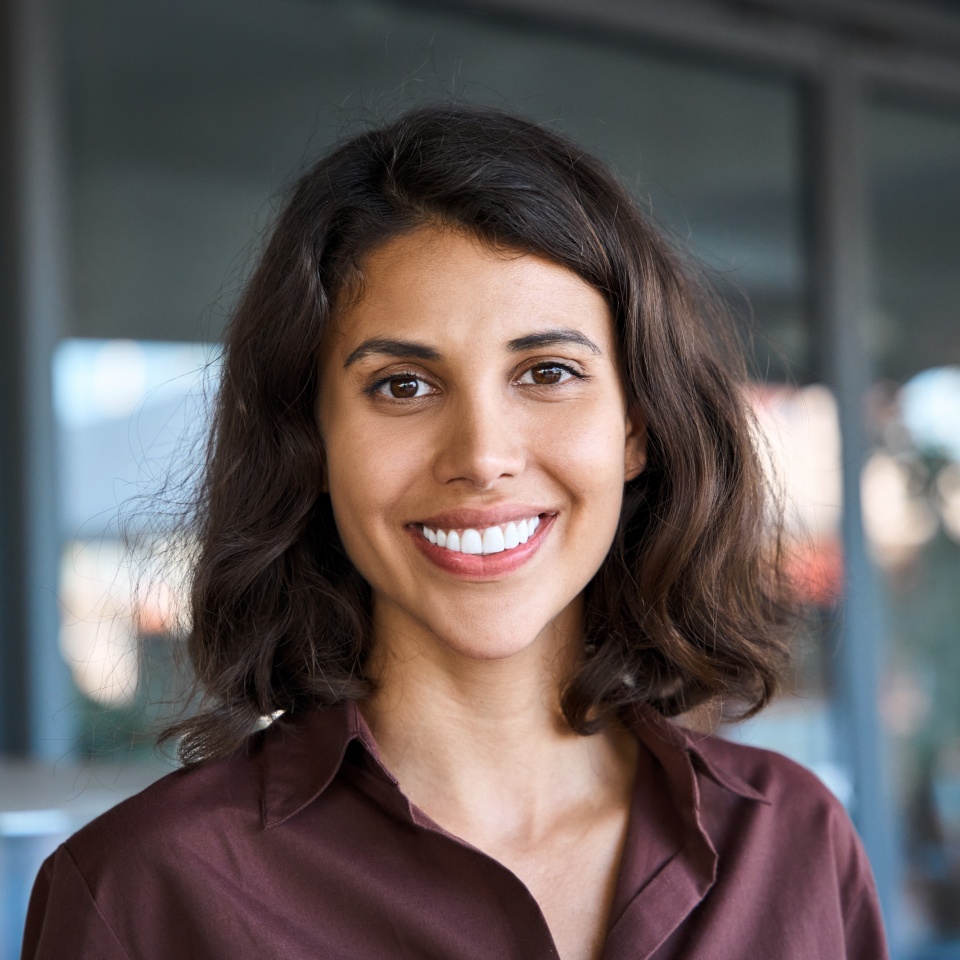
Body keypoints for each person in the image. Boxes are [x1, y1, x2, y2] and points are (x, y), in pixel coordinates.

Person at [22, 102, 888, 960]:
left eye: (547, 372)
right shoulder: (142, 893)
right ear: (312, 441)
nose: (481, 456)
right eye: (403, 385)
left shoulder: (796, 844)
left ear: (637, 426)